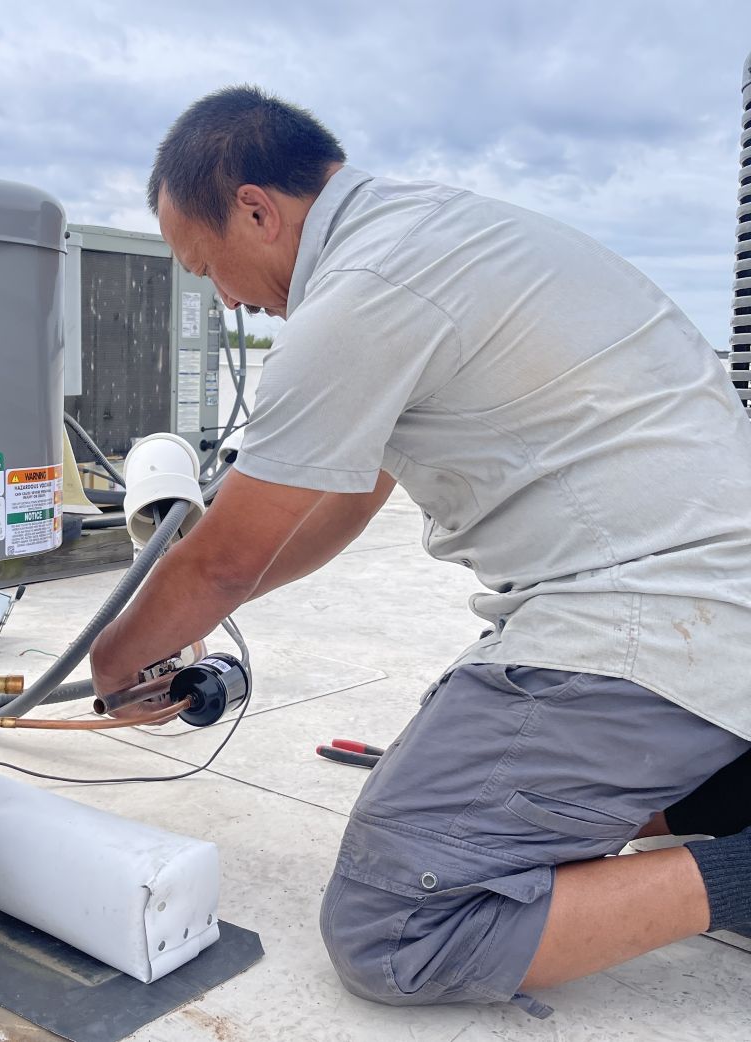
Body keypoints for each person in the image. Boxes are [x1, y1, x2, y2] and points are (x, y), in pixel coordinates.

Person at [88, 85, 751, 1015]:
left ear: (255, 210)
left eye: (210, 271)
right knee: (475, 816)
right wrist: (204, 613)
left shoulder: (365, 293)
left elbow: (222, 559)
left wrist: (115, 659)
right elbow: (338, 504)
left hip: (641, 628)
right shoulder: (429, 240)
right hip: (709, 615)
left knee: (396, 928)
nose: (229, 300)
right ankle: (733, 794)